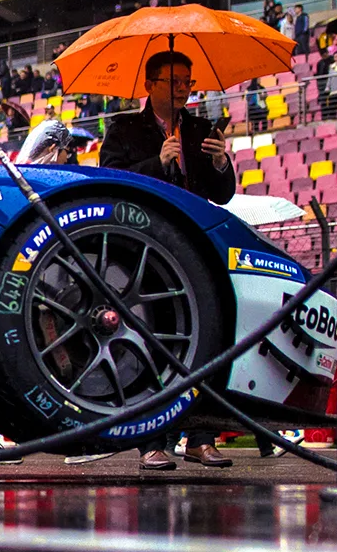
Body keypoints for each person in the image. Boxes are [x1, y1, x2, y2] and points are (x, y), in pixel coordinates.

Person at [97, 48, 236, 470]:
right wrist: (156, 163)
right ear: (150, 85)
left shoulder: (199, 128)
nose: (182, 90)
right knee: (154, 340)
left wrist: (219, 162)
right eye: (173, 82)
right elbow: (109, 179)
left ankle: (201, 436)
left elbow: (223, 193)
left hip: (195, 246)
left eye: (187, 83)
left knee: (208, 340)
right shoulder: (123, 129)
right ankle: (153, 441)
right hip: (144, 249)